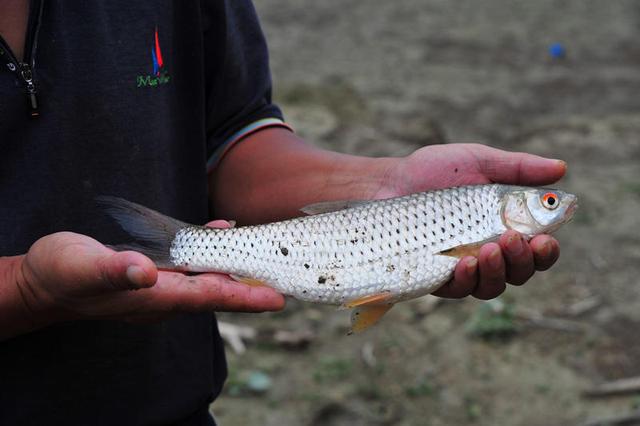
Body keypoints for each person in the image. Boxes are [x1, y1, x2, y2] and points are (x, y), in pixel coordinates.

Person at [0, 1, 564, 424]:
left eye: (547, 203)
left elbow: (232, 132)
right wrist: (27, 291)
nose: (554, 206)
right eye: (546, 202)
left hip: (170, 400)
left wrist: (381, 183)